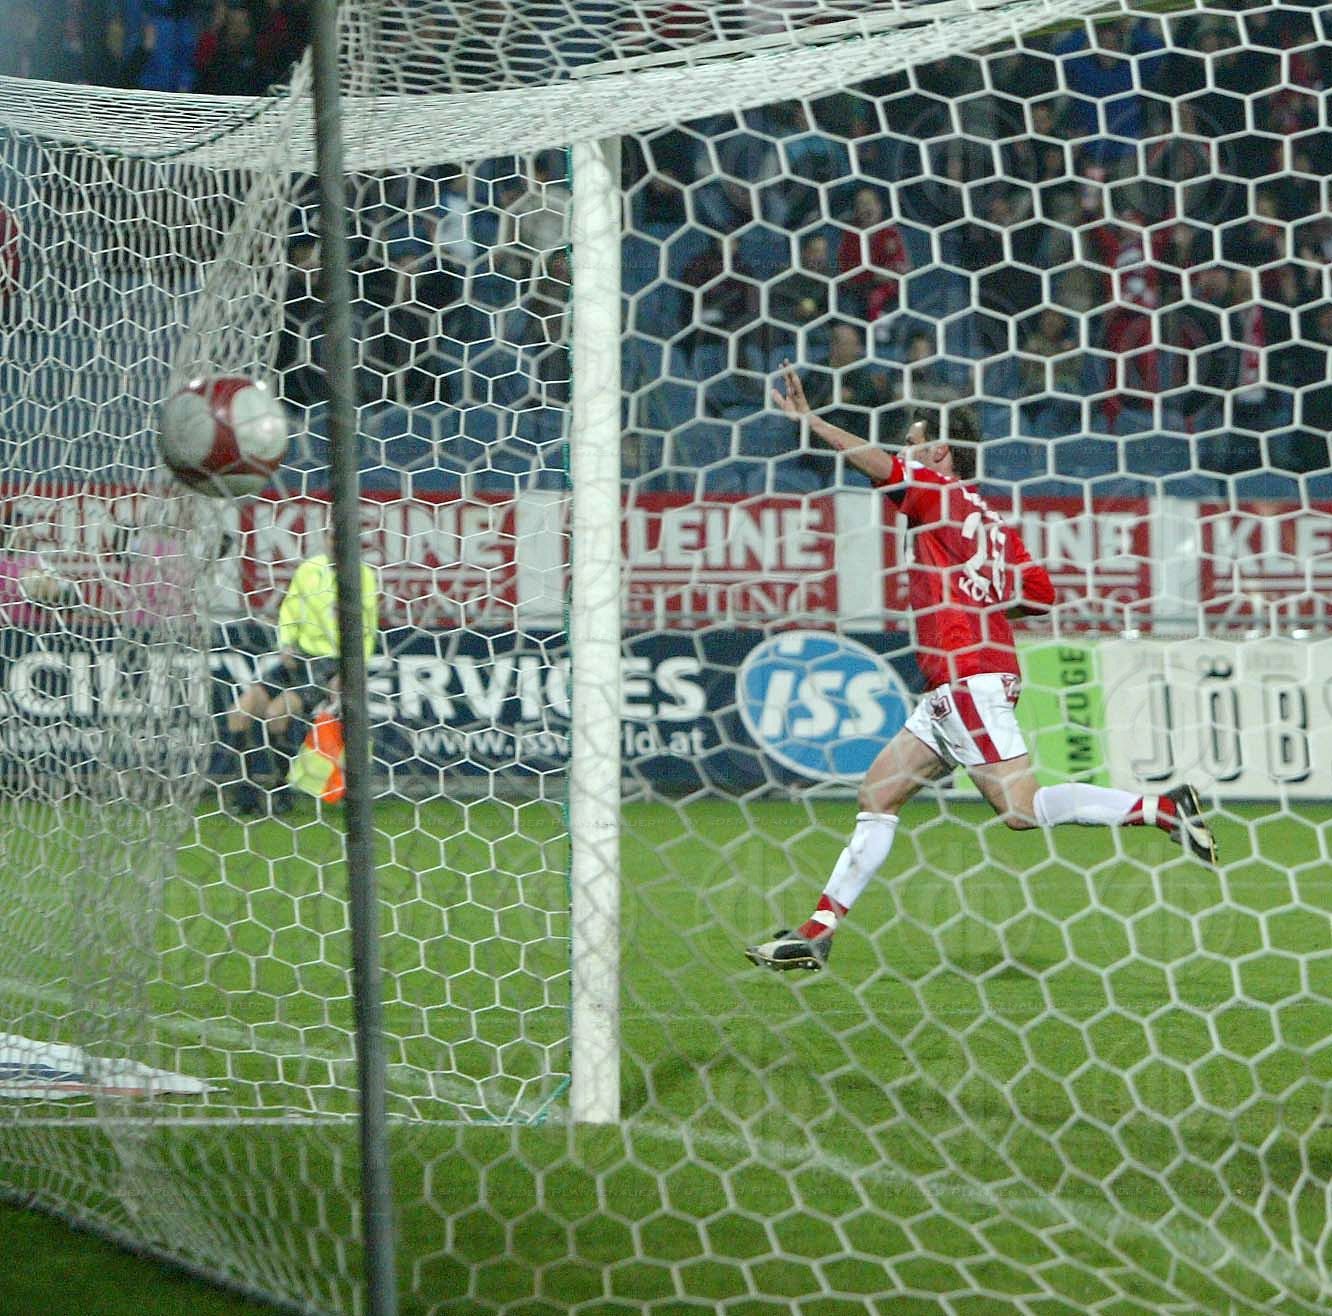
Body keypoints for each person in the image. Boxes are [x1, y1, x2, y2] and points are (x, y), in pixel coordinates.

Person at [744, 367, 1217, 973]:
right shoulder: (992, 522)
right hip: (962, 681)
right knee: (878, 794)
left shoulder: (935, 492)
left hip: (966, 673)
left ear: (939, 451)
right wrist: (985, 600)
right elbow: (1042, 593)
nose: (903, 450)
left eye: (913, 440)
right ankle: (815, 934)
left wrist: (812, 423)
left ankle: (1163, 809)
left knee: (1020, 809)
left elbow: (878, 466)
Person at [221, 528, 378, 817]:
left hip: (330, 661)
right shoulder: (309, 569)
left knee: (276, 715)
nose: (335, 541)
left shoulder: (362, 575)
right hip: (298, 657)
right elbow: (291, 609)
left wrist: (352, 667)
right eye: (332, 536)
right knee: (238, 712)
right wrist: (286, 645)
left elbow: (366, 626)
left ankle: (281, 792)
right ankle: (245, 792)